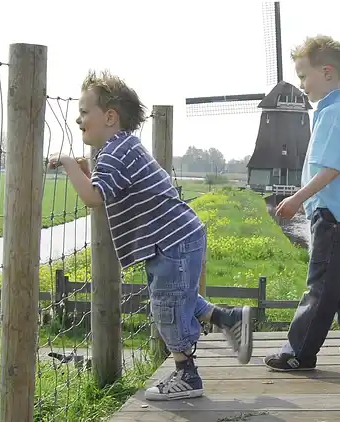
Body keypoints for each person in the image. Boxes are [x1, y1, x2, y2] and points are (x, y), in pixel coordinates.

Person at [48, 70, 254, 401]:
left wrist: (67, 163)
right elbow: (106, 186)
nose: (78, 118)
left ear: (110, 117)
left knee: (166, 308)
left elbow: (93, 198)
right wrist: (83, 170)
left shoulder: (115, 151)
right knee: (176, 298)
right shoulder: (120, 148)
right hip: (174, 239)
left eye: (85, 112)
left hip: (170, 243)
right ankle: (228, 319)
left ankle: (187, 374)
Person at [268, 35, 340, 375]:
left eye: (304, 76)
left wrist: (298, 198)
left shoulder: (336, 114)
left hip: (335, 221)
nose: (301, 85)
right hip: (332, 216)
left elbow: (332, 167)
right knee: (339, 288)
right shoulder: (333, 113)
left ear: (326, 72)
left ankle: (299, 352)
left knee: (320, 288)